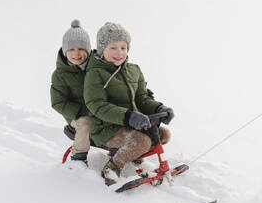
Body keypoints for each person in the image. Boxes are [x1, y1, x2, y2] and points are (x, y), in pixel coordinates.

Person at [84, 22, 173, 186]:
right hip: (105, 128)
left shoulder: (134, 70)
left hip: (132, 123)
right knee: (142, 142)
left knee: (163, 135)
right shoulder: (95, 73)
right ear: (102, 49)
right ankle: (112, 167)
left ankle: (133, 155)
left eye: (123, 48)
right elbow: (97, 105)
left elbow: (142, 98)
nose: (119, 53)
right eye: (113, 48)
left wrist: (158, 108)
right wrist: (127, 116)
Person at [50, 19, 92, 164]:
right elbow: (58, 102)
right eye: (71, 49)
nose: (76, 53)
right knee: (84, 123)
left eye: (81, 49)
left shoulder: (96, 67)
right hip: (75, 115)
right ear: (65, 51)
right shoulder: (60, 74)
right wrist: (80, 110)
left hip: (98, 107)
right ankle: (78, 158)